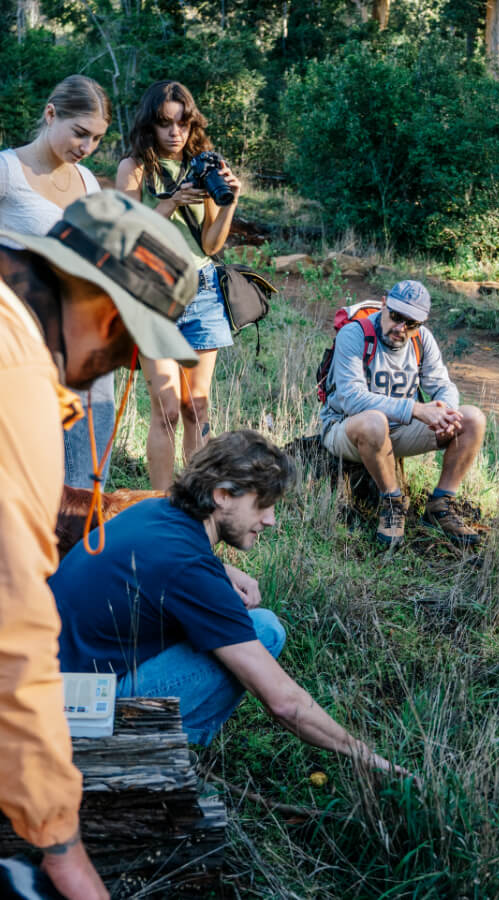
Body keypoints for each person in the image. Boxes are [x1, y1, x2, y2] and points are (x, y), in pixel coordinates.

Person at [0, 189, 200, 899]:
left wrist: (114, 507)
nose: (114, 368)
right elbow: (11, 622)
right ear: (112, 318)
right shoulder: (17, 374)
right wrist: (59, 843)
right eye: (129, 350)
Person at [51, 431, 410, 781]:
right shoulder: (189, 569)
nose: (270, 519)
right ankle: (142, 759)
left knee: (253, 627)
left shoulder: (153, 510)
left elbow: (163, 563)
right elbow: (283, 702)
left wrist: (226, 568)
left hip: (43, 682)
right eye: (262, 504)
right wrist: (363, 754)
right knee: (264, 631)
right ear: (222, 495)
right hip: (71, 715)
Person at [116, 80, 241, 490]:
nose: (175, 133)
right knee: (166, 410)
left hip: (202, 288)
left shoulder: (202, 165)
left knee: (195, 408)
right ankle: (161, 503)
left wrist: (230, 202)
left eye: (183, 124)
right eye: (166, 124)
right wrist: (170, 201)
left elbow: (210, 243)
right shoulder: (133, 167)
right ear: (150, 125)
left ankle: (196, 503)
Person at [0, 74, 116, 489]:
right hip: (24, 347)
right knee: (26, 470)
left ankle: (79, 552)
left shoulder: (86, 181)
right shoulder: (7, 171)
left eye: (97, 139)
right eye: (80, 133)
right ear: (51, 114)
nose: (87, 148)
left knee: (86, 476)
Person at [320, 279, 486, 548]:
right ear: (384, 303)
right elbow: (352, 400)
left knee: (472, 419)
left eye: (411, 323)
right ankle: (392, 503)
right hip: (346, 429)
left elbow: (443, 384)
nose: (401, 328)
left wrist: (445, 411)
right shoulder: (354, 335)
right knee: (374, 421)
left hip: (399, 430)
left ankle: (440, 506)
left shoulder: (422, 339)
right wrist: (417, 409)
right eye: (396, 317)